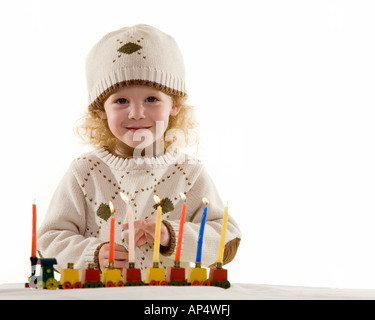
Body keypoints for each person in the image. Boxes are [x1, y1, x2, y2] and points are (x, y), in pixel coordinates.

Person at [38, 25, 241, 276]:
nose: (136, 113)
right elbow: (49, 239)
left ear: (174, 105)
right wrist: (93, 254)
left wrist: (173, 236)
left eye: (151, 99)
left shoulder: (188, 172)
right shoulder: (85, 171)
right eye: (121, 101)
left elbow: (227, 241)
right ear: (101, 109)